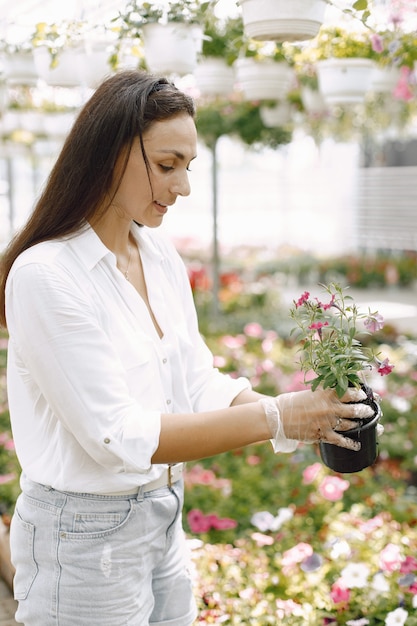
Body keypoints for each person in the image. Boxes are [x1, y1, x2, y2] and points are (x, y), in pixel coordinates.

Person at [0, 70, 374, 626]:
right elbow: (118, 437)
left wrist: (310, 416)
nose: (184, 187)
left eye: (188, 166)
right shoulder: (47, 276)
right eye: (166, 165)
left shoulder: (156, 255)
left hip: (163, 517)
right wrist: (278, 418)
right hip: (83, 538)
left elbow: (198, 382)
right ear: (108, 154)